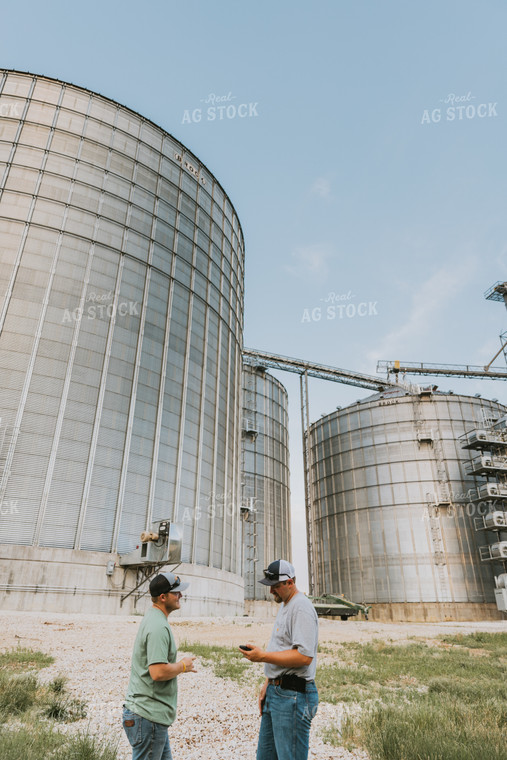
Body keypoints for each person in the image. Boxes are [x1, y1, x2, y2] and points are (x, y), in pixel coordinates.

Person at [240, 559, 319, 760]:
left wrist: (262, 657)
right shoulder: (286, 605)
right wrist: (268, 681)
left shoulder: (300, 607)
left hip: (293, 696)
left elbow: (304, 656)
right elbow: (283, 649)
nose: (271, 591)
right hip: (277, 692)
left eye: (275, 586)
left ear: (290, 583)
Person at [123, 571, 197, 760]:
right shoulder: (158, 627)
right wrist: (182, 666)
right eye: (176, 592)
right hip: (148, 717)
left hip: (150, 718)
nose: (181, 595)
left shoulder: (154, 618)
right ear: (163, 597)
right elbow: (157, 672)